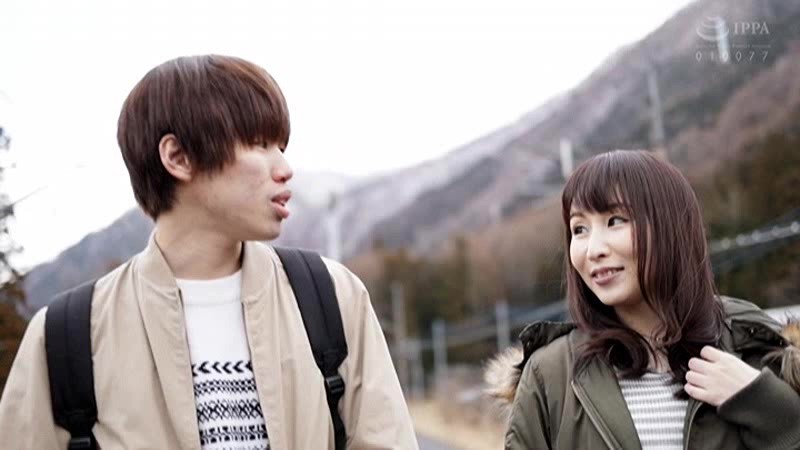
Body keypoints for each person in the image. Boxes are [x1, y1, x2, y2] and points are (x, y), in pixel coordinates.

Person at [0, 55, 418, 449]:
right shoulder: (66, 336)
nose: (284, 168)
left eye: (282, 147)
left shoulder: (332, 297)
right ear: (178, 157)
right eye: (259, 143)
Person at [486, 150, 800, 449]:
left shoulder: (761, 351)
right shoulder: (548, 375)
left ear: (670, 226)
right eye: (579, 229)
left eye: (615, 221)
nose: (593, 249)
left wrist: (769, 408)